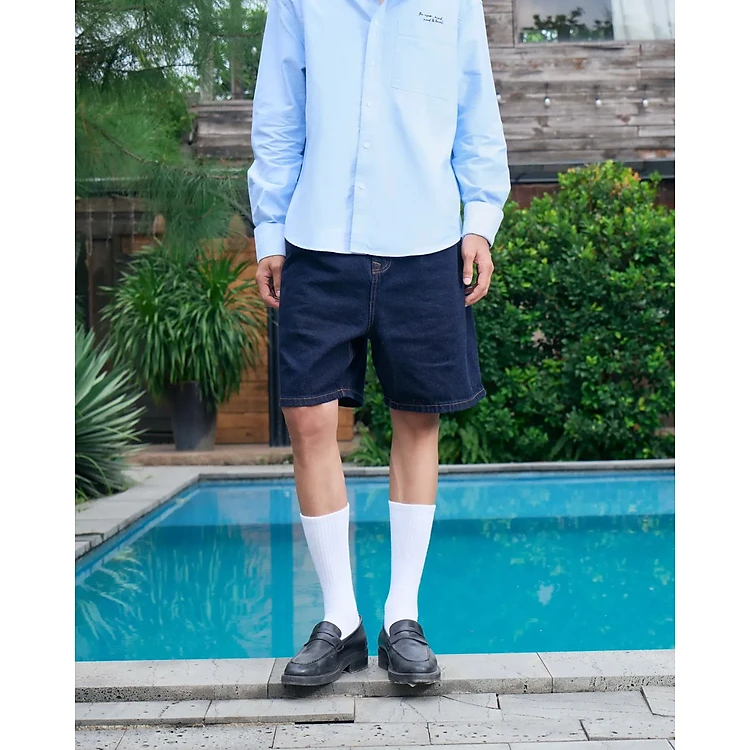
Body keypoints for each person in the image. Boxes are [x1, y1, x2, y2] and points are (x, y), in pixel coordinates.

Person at [247, 0, 510, 687]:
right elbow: (278, 115)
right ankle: (341, 621)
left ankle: (402, 618)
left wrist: (480, 220)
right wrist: (269, 227)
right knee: (308, 419)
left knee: (418, 420)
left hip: (426, 239)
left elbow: (476, 110)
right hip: (316, 237)